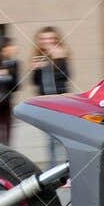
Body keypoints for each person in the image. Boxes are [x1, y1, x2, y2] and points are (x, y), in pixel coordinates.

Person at [29, 27, 72, 162]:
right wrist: (36, 69)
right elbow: (35, 82)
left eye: (50, 38)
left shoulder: (61, 55)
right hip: (45, 105)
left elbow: (65, 78)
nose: (47, 41)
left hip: (61, 104)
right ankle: (53, 171)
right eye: (44, 39)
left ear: (56, 40)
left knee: (63, 139)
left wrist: (59, 60)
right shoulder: (39, 56)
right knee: (49, 140)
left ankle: (68, 169)